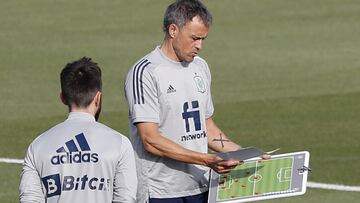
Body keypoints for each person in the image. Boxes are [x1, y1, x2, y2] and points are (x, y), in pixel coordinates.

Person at [124, 0, 249, 202]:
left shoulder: (200, 67)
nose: (199, 45)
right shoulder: (145, 72)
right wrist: (206, 159)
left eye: (203, 39)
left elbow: (207, 128)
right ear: (173, 30)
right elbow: (150, 140)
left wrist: (244, 154)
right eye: (194, 38)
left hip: (201, 185)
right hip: (162, 191)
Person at [19, 57, 137, 203]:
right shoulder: (120, 143)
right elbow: (126, 199)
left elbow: (29, 199)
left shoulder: (38, 146)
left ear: (62, 98)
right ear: (98, 98)